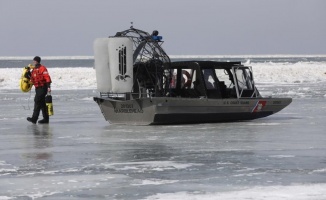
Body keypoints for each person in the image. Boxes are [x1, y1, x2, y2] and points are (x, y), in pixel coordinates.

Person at [27, 56, 52, 124]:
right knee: (42, 103)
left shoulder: (42, 68)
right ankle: (46, 119)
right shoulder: (34, 70)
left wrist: (48, 87)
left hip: (43, 87)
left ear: (37, 61)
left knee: (37, 100)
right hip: (37, 88)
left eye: (34, 61)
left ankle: (34, 118)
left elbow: (47, 78)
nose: (33, 62)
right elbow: (32, 79)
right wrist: (28, 73)